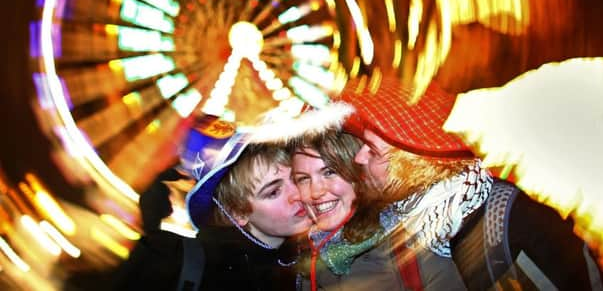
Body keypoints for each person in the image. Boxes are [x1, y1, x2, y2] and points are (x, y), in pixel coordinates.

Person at [337, 75, 603, 290]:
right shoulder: (417, 227)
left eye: (371, 149)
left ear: (412, 162)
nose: (359, 157)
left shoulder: (507, 225)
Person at [112, 113, 312, 291]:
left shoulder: (310, 256)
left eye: (296, 178)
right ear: (238, 212)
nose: (298, 194)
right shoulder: (191, 268)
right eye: (274, 192)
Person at [282, 104, 466, 291]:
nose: (315, 191)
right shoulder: (310, 252)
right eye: (303, 179)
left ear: (358, 172)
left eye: (329, 172)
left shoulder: (407, 248)